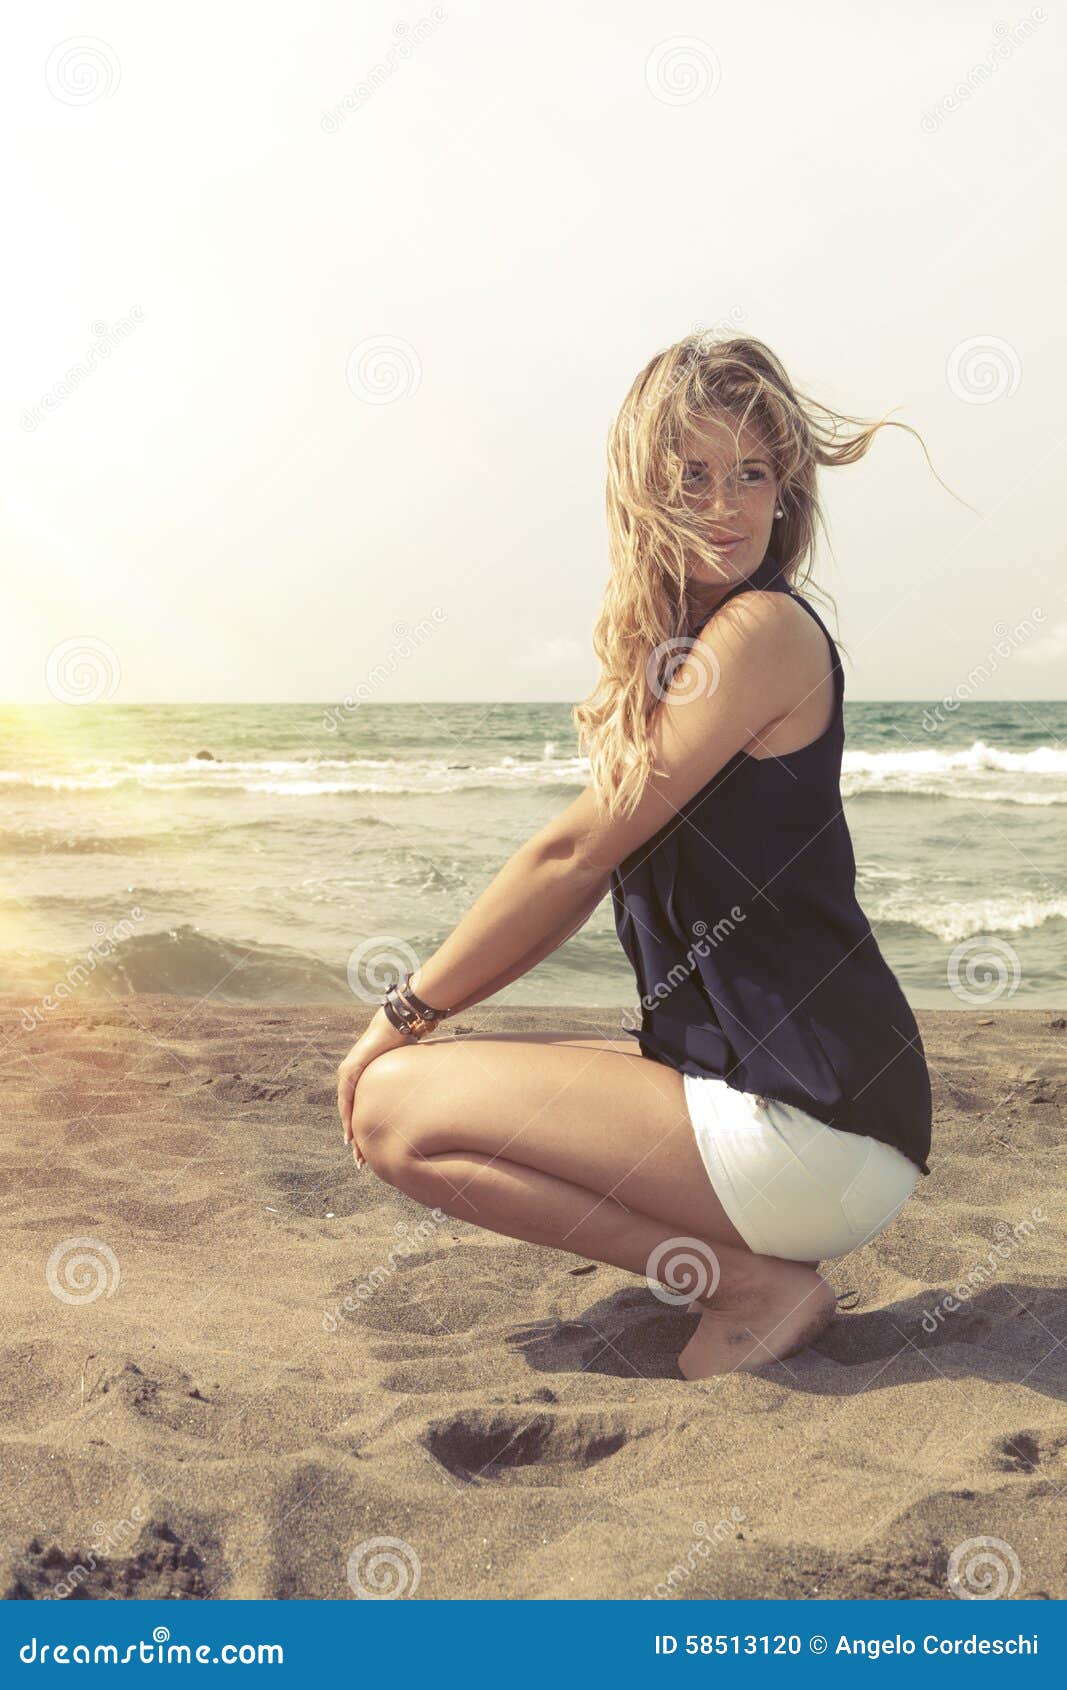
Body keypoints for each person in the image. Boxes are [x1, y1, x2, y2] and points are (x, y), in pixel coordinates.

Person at [337, 334, 935, 1380]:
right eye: (692, 476)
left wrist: (400, 1013)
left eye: (752, 473)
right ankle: (740, 1266)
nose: (727, 505)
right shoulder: (695, 650)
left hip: (812, 1124)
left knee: (390, 1106)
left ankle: (749, 1286)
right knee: (460, 1084)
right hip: (800, 1109)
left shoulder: (762, 632)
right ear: (643, 493)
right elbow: (579, 870)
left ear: (786, 489)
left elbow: (571, 856)